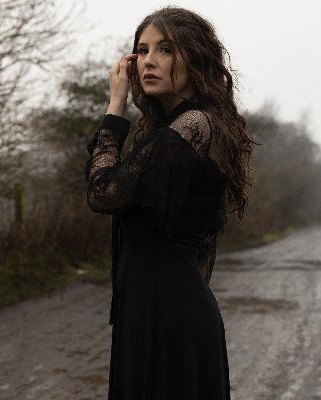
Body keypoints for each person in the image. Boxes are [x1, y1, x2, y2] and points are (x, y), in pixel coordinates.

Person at [85, 6, 255, 399]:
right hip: (156, 312)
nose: (148, 61)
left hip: (168, 318)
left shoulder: (192, 127)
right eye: (142, 50)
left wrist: (114, 109)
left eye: (165, 49)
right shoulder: (173, 132)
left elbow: (102, 193)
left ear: (194, 58)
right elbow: (202, 245)